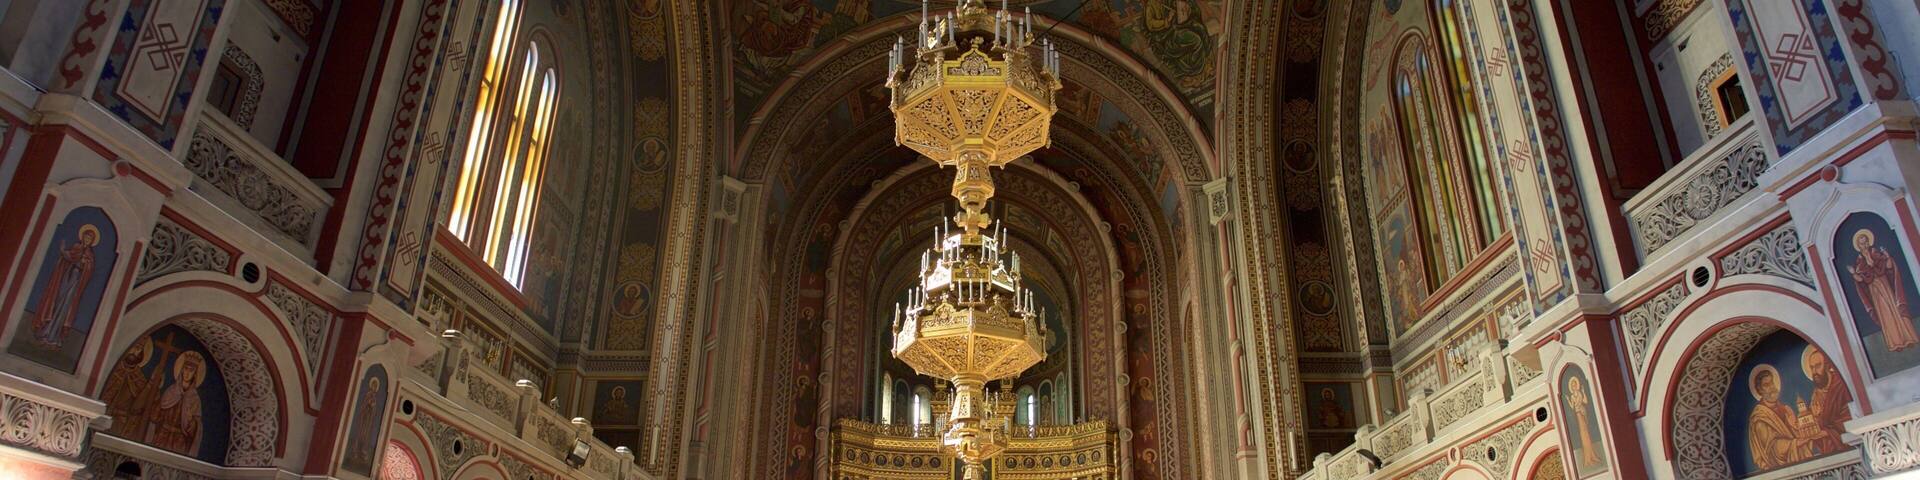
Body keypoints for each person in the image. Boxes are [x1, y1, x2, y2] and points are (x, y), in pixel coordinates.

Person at [1849, 229, 1920, 351]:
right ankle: (1896, 343)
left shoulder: (1875, 253)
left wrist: (1887, 258)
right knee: (1885, 314)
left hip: (1885, 285)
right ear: (1858, 246)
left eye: (1866, 242)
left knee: (1895, 309)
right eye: (1861, 244)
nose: (1864, 245)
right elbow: (1861, 280)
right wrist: (1854, 273)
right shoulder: (1859, 260)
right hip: (1874, 290)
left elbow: (1888, 267)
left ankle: (1908, 338)